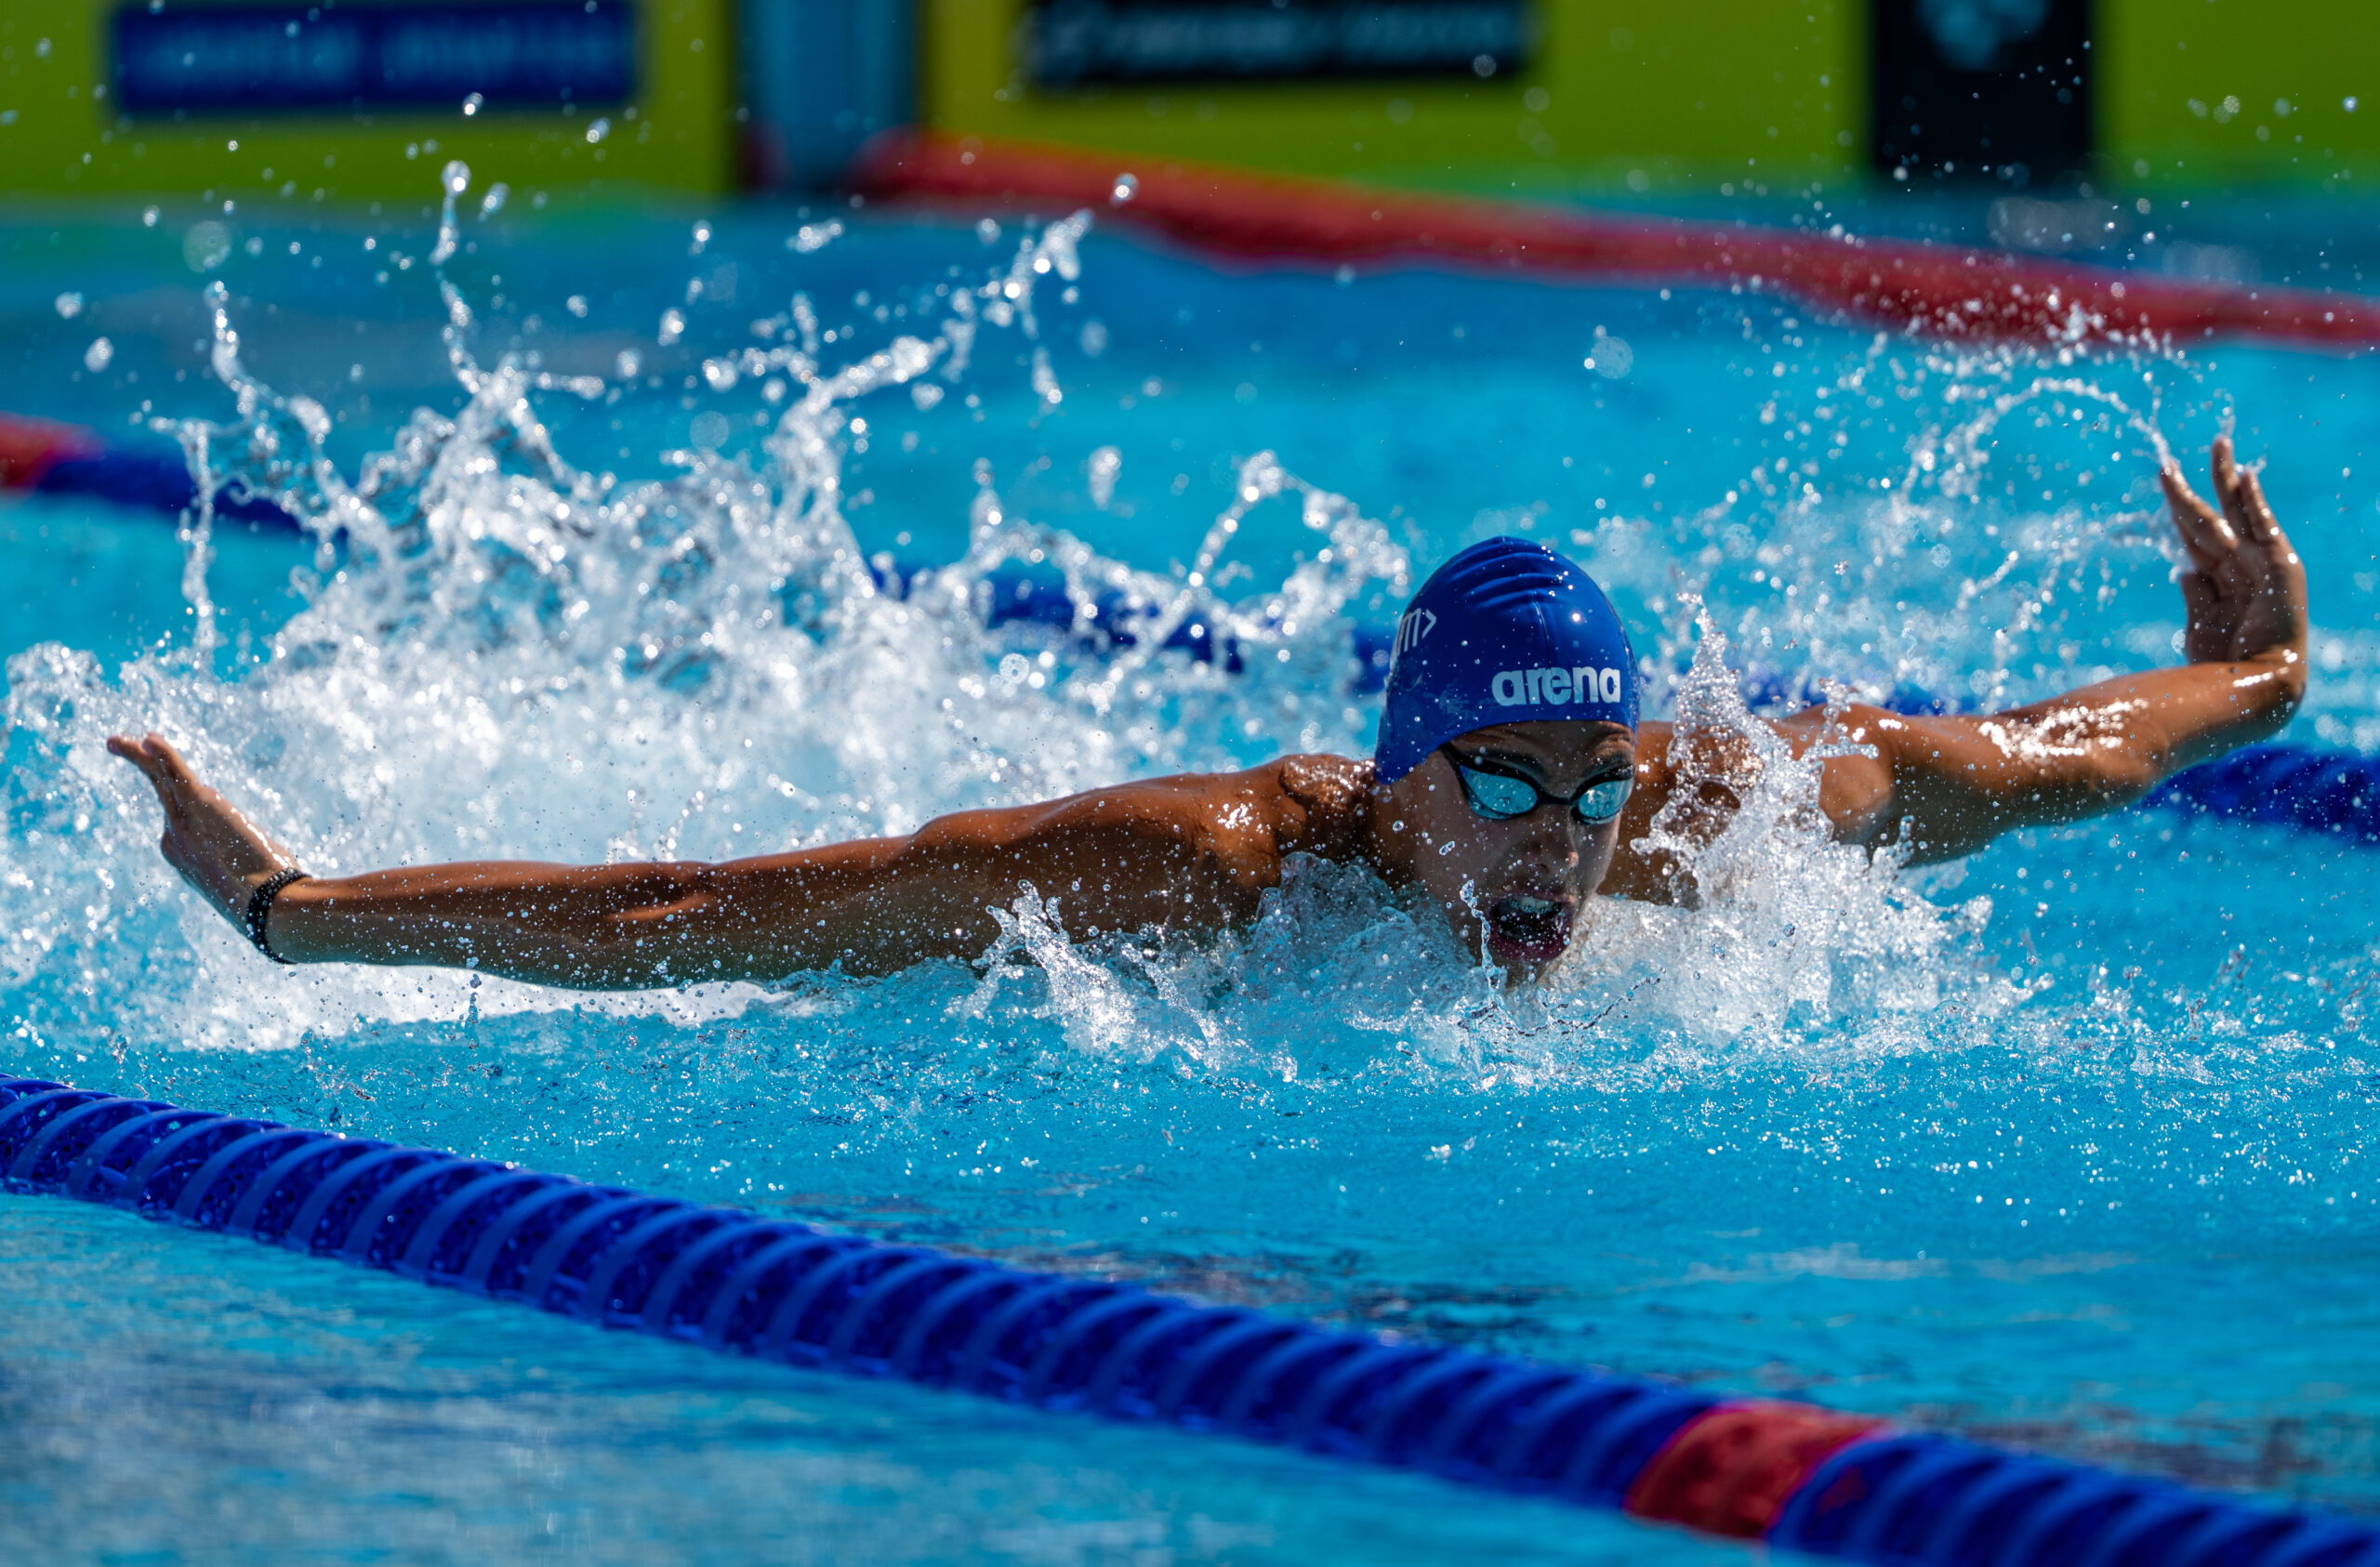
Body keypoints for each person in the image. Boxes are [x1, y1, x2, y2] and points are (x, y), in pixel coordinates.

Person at [110, 440, 2306, 988]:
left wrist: (2261, 676)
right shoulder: (1200, 873)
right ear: (1401, 770)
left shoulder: (1690, 816)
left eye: (1590, 773)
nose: (1554, 832)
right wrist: (302, 908)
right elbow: (723, 902)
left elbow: (2042, 752)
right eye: (1505, 778)